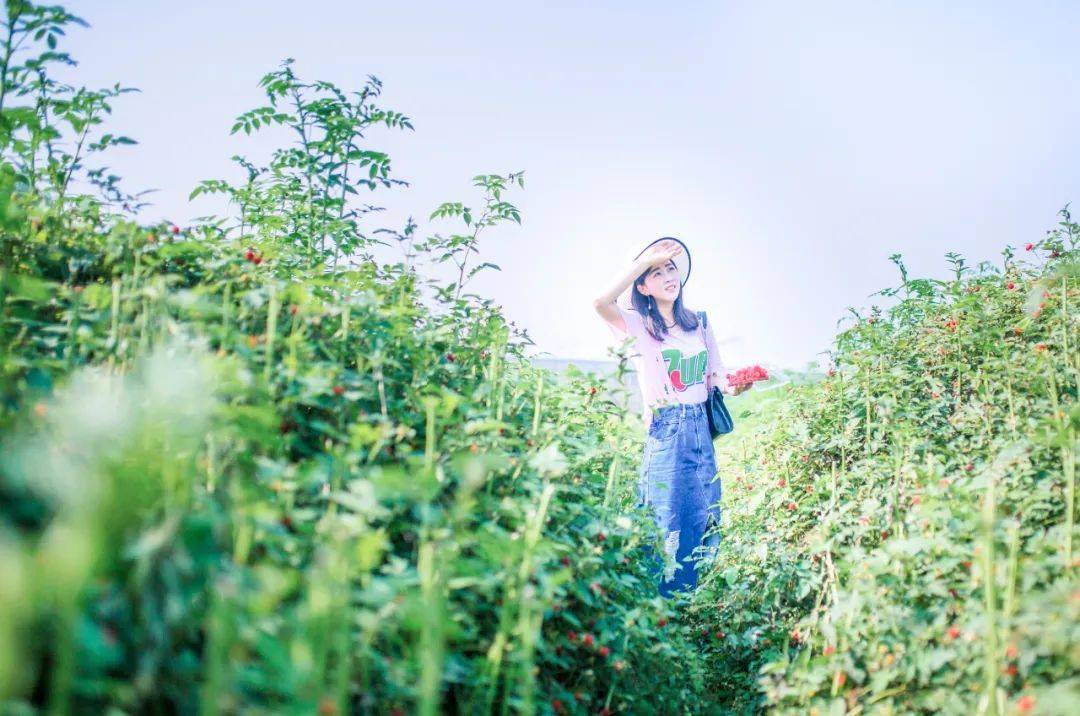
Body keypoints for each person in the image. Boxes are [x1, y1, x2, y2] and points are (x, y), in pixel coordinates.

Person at [592, 237, 752, 597]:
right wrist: (645, 260)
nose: (668, 275)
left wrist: (736, 385)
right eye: (657, 272)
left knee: (703, 513)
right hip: (667, 427)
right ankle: (657, 600)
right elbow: (600, 302)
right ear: (643, 287)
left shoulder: (700, 322)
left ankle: (694, 599)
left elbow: (717, 377)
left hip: (699, 428)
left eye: (671, 268)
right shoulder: (637, 325)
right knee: (662, 515)